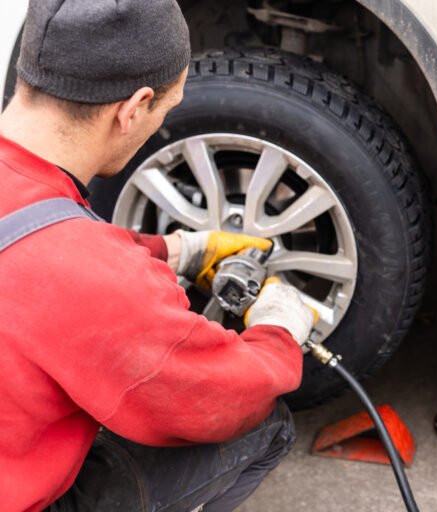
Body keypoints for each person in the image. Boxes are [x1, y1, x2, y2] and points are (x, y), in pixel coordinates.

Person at [0, 1, 315, 511]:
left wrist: (177, 251)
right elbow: (220, 397)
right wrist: (281, 333)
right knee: (268, 422)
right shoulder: (91, 283)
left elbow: (34, 250)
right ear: (133, 108)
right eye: (166, 110)